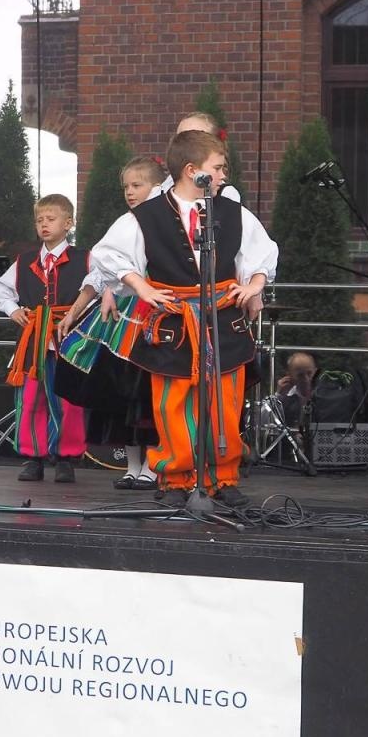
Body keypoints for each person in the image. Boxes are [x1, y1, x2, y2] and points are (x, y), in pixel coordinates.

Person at [92, 129, 278, 505]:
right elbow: (107, 254)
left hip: (222, 320)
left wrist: (255, 284)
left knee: (225, 402)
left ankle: (222, 478)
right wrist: (142, 288)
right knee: (171, 404)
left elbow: (263, 251)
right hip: (174, 322)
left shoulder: (232, 212)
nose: (224, 175)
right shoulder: (146, 216)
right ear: (193, 171)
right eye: (218, 168)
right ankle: (176, 480)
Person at [55, 155, 162, 489]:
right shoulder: (126, 223)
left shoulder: (166, 220)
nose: (129, 192)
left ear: (157, 187)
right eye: (126, 186)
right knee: (121, 392)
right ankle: (132, 466)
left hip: (154, 313)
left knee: (147, 391)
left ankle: (154, 466)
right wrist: (74, 312)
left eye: (137, 185)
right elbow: (101, 273)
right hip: (123, 318)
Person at [0, 194, 89, 484]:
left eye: (51, 219)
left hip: (69, 339)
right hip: (34, 339)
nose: (44, 224)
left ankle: (65, 458)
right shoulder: (25, 261)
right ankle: (33, 457)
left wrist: (79, 315)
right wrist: (13, 310)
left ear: (68, 223)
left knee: (68, 400)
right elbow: (0, 288)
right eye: (39, 220)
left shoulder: (85, 259)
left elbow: (99, 289)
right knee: (31, 398)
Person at [152, 112, 243, 202]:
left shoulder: (225, 195)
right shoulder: (160, 191)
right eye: (181, 138)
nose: (186, 144)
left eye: (198, 138)